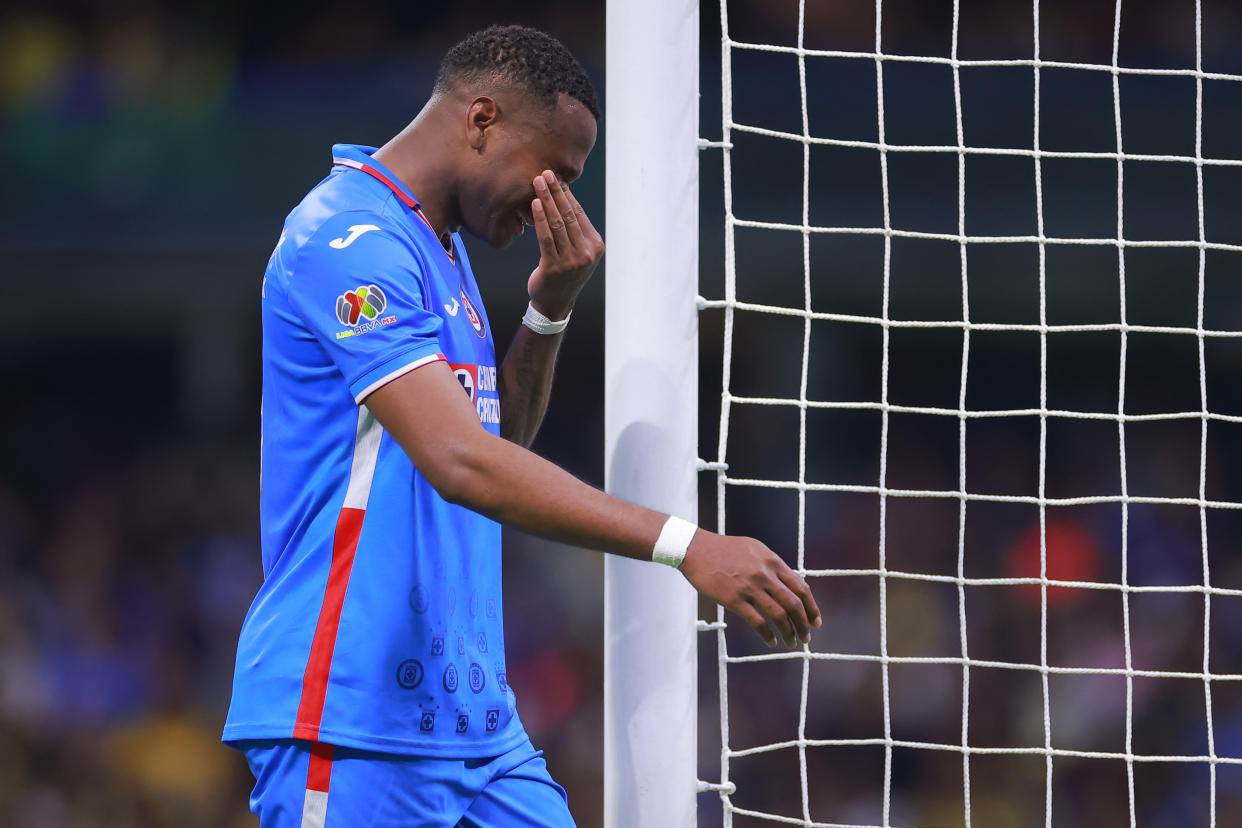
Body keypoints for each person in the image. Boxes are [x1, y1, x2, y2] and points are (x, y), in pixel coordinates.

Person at [223, 24, 821, 827]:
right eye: (557, 170)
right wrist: (687, 545)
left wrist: (547, 310)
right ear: (481, 119)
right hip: (351, 716)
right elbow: (459, 462)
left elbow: (498, 449)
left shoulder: (441, 249)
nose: (560, 197)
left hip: (476, 730)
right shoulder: (345, 238)